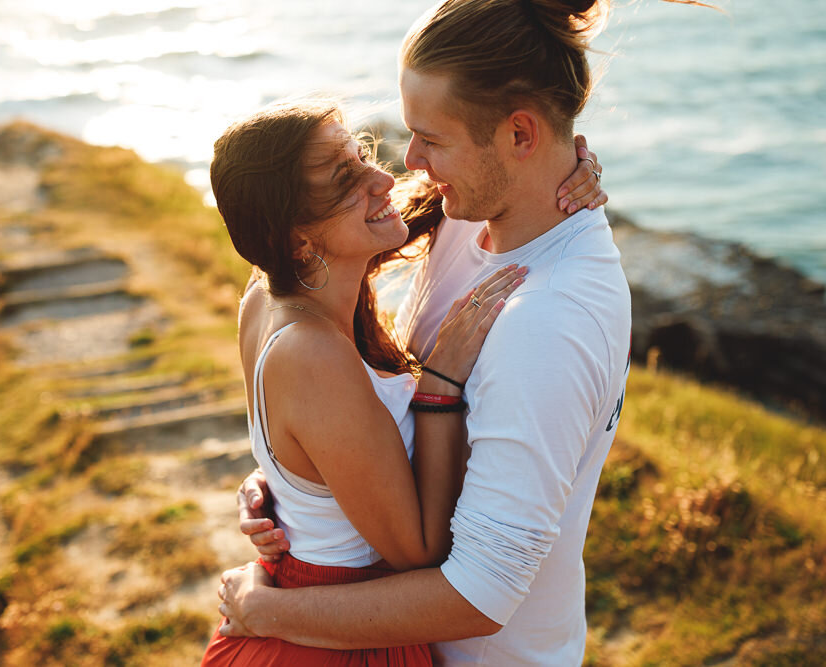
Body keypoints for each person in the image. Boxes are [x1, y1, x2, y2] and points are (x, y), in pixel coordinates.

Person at [216, 0, 668, 664]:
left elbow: (479, 594)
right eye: (407, 133)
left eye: (431, 137)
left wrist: (268, 608)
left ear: (518, 135)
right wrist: (294, 490)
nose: (405, 164)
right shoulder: (464, 215)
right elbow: (329, 405)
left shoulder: (548, 322)